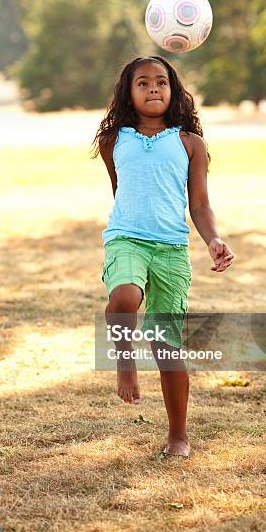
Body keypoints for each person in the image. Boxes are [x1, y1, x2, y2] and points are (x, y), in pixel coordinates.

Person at [91, 55, 234, 458]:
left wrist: (214, 239)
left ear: (173, 91)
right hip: (127, 239)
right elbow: (121, 189)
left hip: (171, 247)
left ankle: (178, 435)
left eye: (161, 82)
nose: (153, 88)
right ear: (127, 92)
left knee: (167, 345)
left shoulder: (190, 143)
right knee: (123, 297)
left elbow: (200, 204)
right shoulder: (114, 140)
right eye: (142, 83)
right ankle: (125, 364)